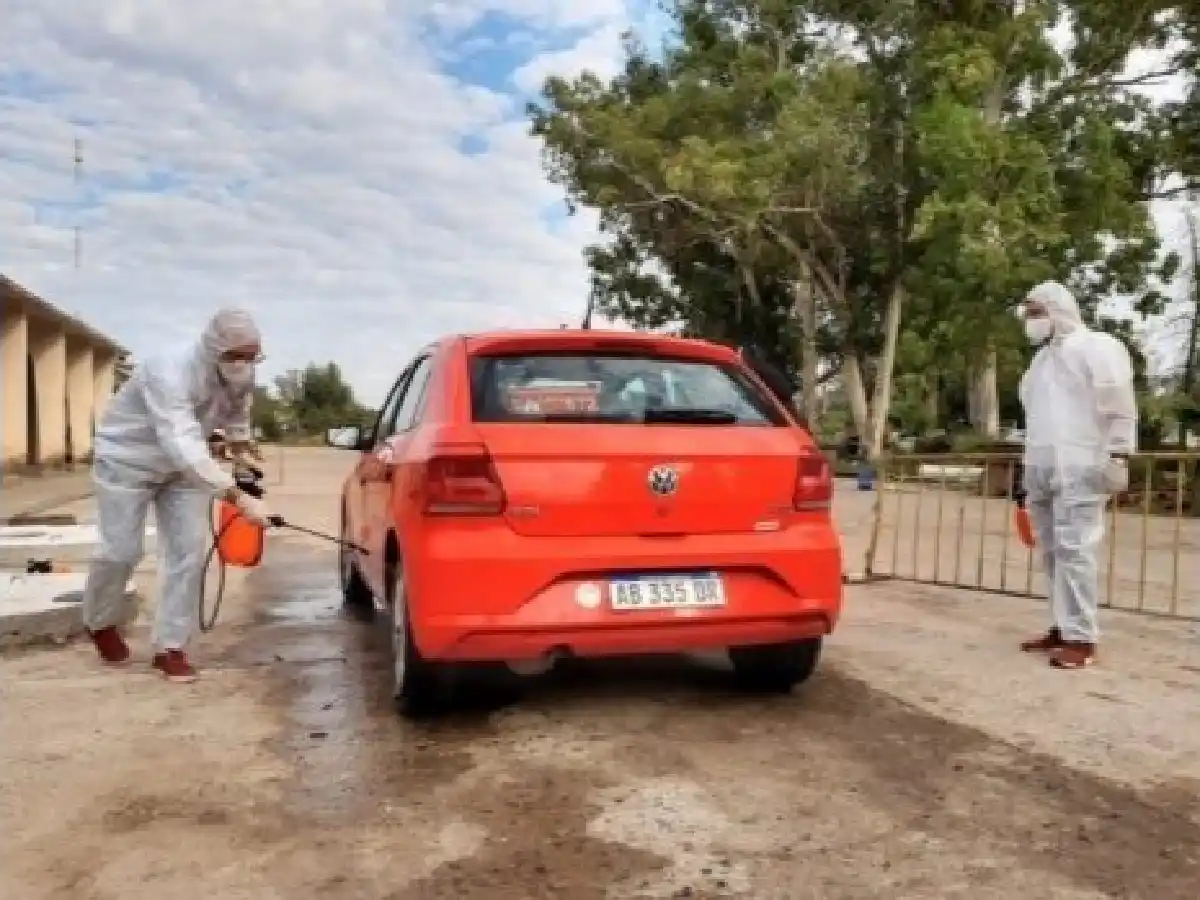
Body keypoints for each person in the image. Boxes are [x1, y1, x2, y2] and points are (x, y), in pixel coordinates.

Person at [81, 309, 272, 683]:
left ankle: (170, 646)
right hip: (128, 462)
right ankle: (100, 621)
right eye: (236, 356)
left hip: (183, 472)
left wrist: (239, 441)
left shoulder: (242, 373)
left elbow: (236, 410)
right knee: (120, 552)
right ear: (212, 348)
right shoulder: (166, 370)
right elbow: (180, 440)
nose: (244, 365)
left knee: (187, 553)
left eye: (251, 357)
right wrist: (236, 497)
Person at [1016, 281, 1137, 669]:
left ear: (1058, 310)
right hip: (1044, 467)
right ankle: (1061, 625)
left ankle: (1082, 637)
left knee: (1077, 550)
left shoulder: (1097, 348)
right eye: (1029, 314)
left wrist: (1119, 453)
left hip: (1083, 466)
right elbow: (1034, 417)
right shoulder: (1040, 362)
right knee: (1051, 551)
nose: (1032, 322)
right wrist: (1027, 472)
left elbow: (1119, 403)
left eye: (1037, 313)